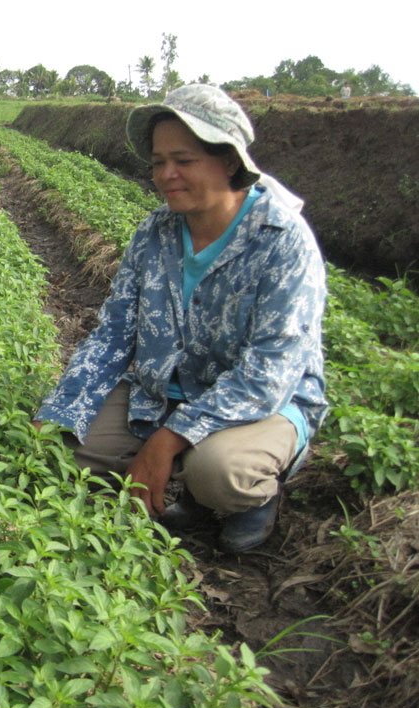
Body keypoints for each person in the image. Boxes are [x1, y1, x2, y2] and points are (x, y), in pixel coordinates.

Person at [34, 84, 327, 552]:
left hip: (258, 405)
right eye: (157, 162)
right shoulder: (155, 232)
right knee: (58, 447)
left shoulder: (282, 239)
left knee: (220, 472)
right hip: (163, 391)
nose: (166, 174)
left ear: (229, 161)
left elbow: (270, 372)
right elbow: (112, 335)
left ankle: (243, 495)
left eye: (184, 160)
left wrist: (168, 440)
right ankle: (173, 462)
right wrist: (59, 411)